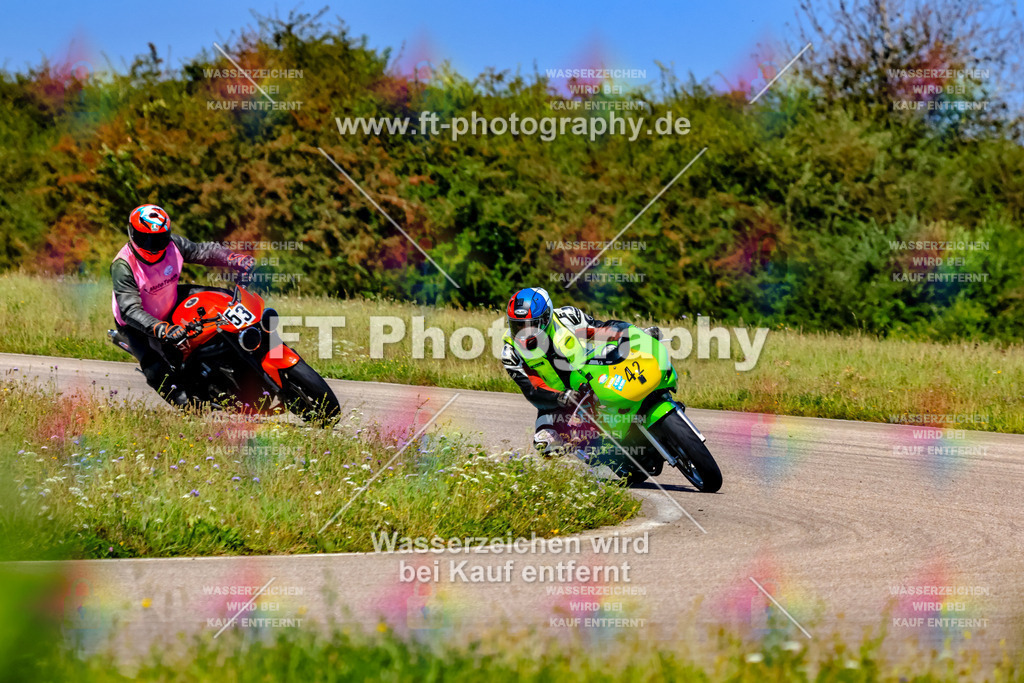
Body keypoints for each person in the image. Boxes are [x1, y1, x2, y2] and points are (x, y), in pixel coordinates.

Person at [110, 204, 255, 406]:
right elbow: (130, 310)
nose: (153, 245)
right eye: (146, 238)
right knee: (156, 370)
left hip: (170, 297)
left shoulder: (174, 245)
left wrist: (233, 258)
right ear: (132, 233)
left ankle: (244, 346)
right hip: (136, 325)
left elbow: (204, 251)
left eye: (159, 239)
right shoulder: (123, 265)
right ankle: (187, 404)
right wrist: (161, 328)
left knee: (223, 297)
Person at [500, 287, 660, 455]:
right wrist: (560, 397)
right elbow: (532, 389)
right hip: (556, 402)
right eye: (517, 325)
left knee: (628, 367)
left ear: (546, 317)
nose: (524, 331)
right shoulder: (511, 351)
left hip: (591, 377)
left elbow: (601, 330)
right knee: (544, 445)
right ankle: (598, 454)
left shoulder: (567, 317)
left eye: (531, 325)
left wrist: (635, 332)